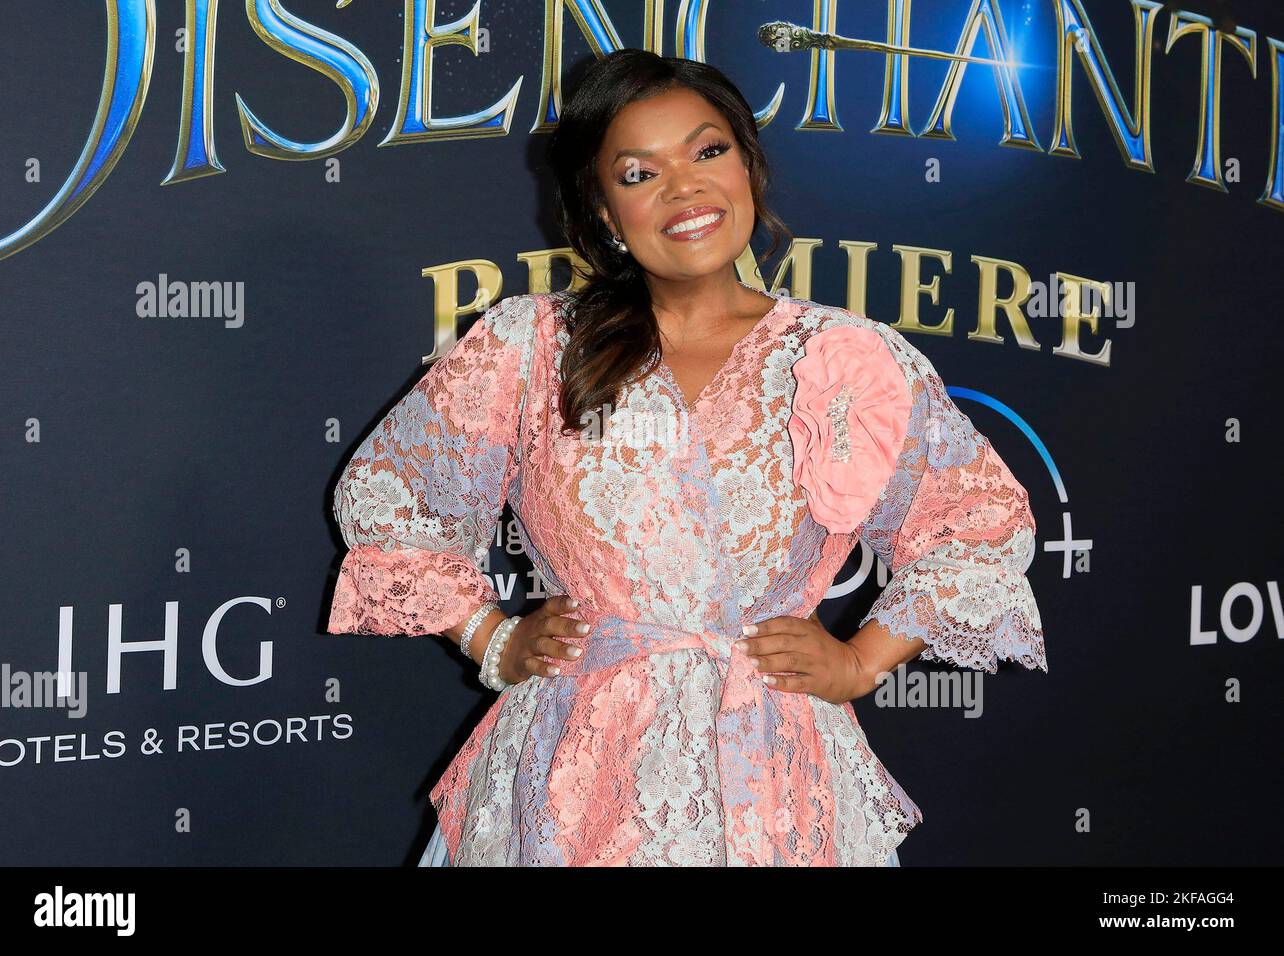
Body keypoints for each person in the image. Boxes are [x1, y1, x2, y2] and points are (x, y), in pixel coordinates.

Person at [327, 49, 1047, 867]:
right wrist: (492, 639)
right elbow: (392, 497)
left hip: (774, 765)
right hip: (574, 770)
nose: (684, 189)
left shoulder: (845, 356)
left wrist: (860, 660)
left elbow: (977, 523)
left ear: (749, 165)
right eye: (639, 173)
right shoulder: (530, 344)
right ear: (602, 210)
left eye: (708, 152)